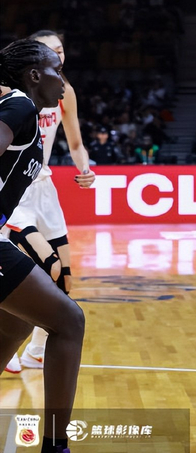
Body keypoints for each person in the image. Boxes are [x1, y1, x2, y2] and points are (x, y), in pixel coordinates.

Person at [0, 38, 85, 453]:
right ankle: (55, 445)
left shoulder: (25, 111)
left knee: (16, 322)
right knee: (69, 320)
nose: (63, 81)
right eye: (57, 71)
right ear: (34, 75)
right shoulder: (19, 106)